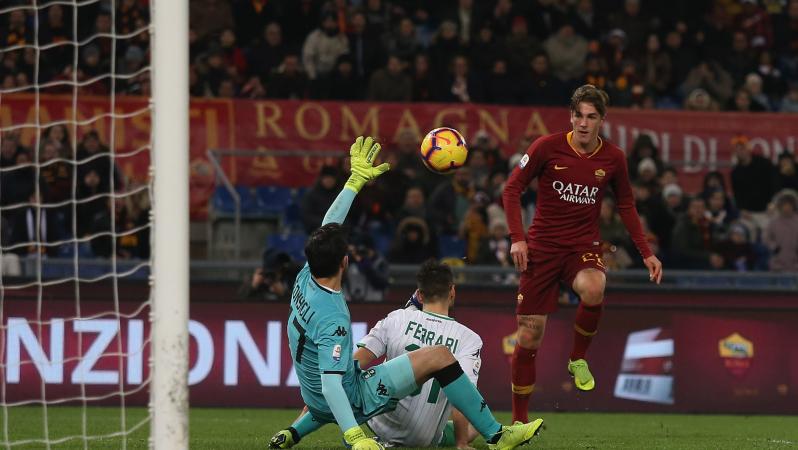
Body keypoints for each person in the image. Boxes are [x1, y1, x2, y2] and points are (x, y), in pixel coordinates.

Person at [269, 136, 543, 450]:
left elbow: (328, 225)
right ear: (345, 262)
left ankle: (292, 433)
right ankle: (497, 436)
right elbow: (333, 386)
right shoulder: (334, 316)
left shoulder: (306, 276)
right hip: (350, 397)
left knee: (352, 363)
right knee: (438, 356)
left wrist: (354, 182)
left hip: (314, 396)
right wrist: (355, 437)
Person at [501, 84, 663, 424]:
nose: (584, 123)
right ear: (571, 117)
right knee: (529, 335)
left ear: (602, 120)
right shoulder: (546, 147)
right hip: (542, 250)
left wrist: (645, 251)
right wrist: (518, 238)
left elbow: (626, 204)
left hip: (582, 247)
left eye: (591, 117)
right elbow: (512, 188)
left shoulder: (614, 158)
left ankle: (577, 358)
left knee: (594, 287)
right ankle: (518, 422)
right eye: (579, 116)